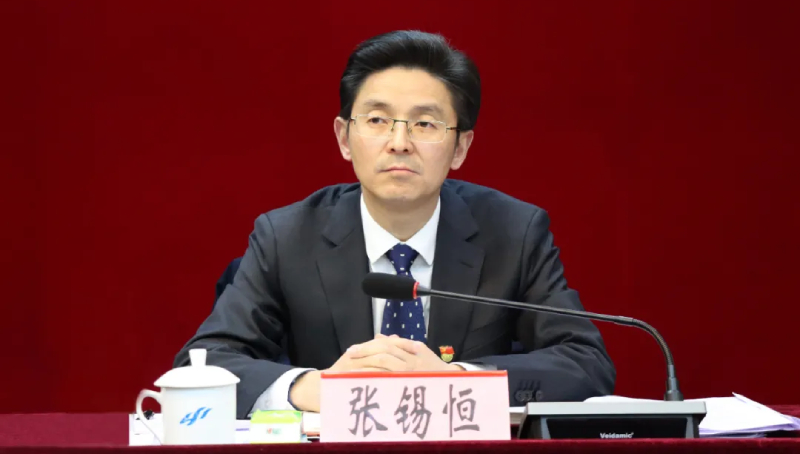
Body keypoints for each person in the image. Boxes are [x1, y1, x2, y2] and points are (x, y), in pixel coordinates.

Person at [174, 30, 615, 418]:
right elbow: (205, 361)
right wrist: (316, 387)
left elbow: (586, 362)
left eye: (425, 123)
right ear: (344, 138)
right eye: (377, 121)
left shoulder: (514, 233)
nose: (399, 143)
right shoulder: (287, 237)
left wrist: (458, 380)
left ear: (460, 148)